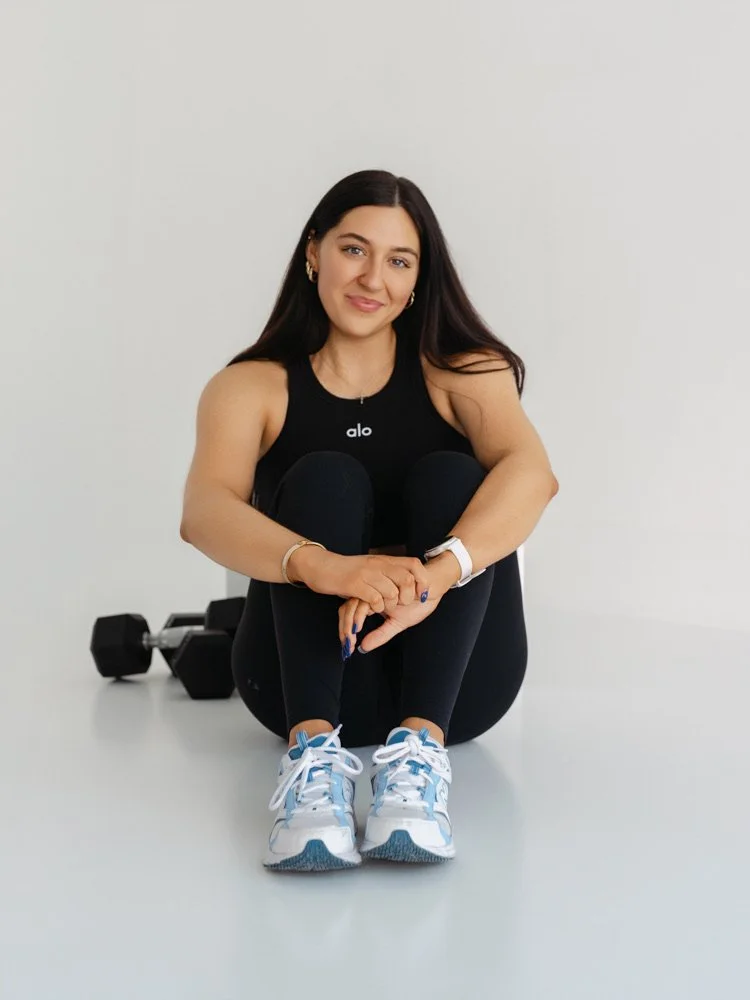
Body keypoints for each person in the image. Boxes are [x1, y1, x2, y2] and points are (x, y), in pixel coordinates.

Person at [179, 169, 559, 873]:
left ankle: (417, 758)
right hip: (299, 682)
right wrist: (335, 568)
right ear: (314, 251)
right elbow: (203, 512)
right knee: (324, 476)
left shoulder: (463, 372)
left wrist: (433, 579)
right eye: (354, 250)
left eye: (399, 260)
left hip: (459, 687)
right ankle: (313, 771)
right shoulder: (252, 386)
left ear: (418, 280)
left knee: (454, 477)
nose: (373, 278)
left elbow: (533, 475)